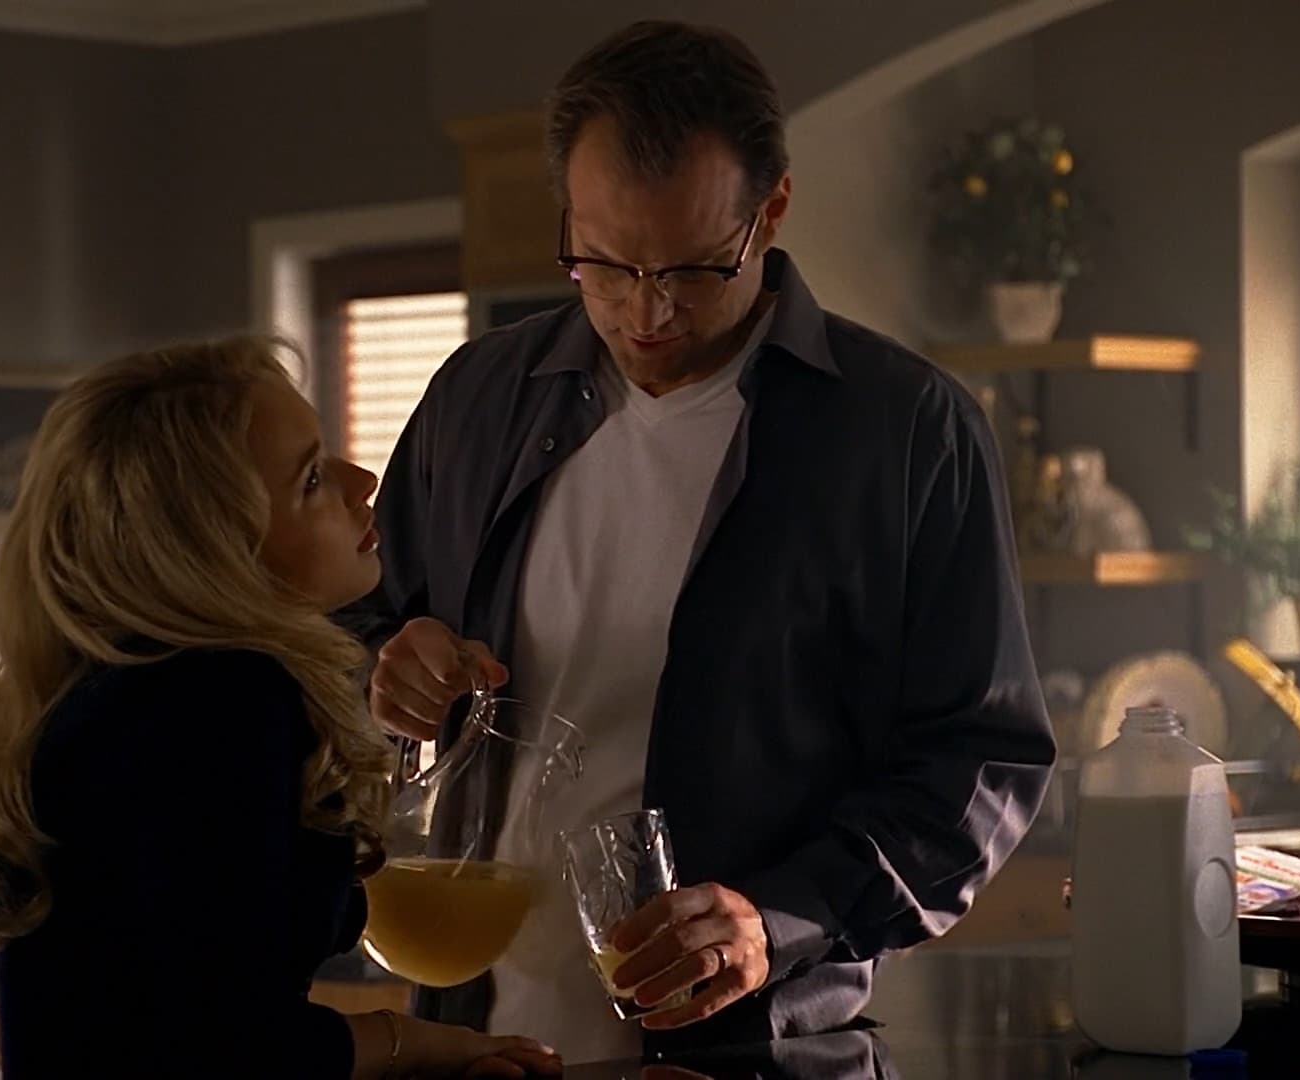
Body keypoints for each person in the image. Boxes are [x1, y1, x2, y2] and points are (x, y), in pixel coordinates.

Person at [339, 21, 1056, 1065]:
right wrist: (382, 665)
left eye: (691, 269)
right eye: (603, 264)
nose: (648, 310)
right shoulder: (475, 398)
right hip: (472, 1042)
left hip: (755, 1051)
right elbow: (347, 626)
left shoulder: (908, 433)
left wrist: (778, 919)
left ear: (772, 210)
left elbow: (980, 766)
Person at [0, 339, 562, 1078]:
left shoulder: (122, 692)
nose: (362, 480)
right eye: (311, 478)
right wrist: (416, 1045)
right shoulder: (221, 705)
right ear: (215, 549)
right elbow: (229, 1048)